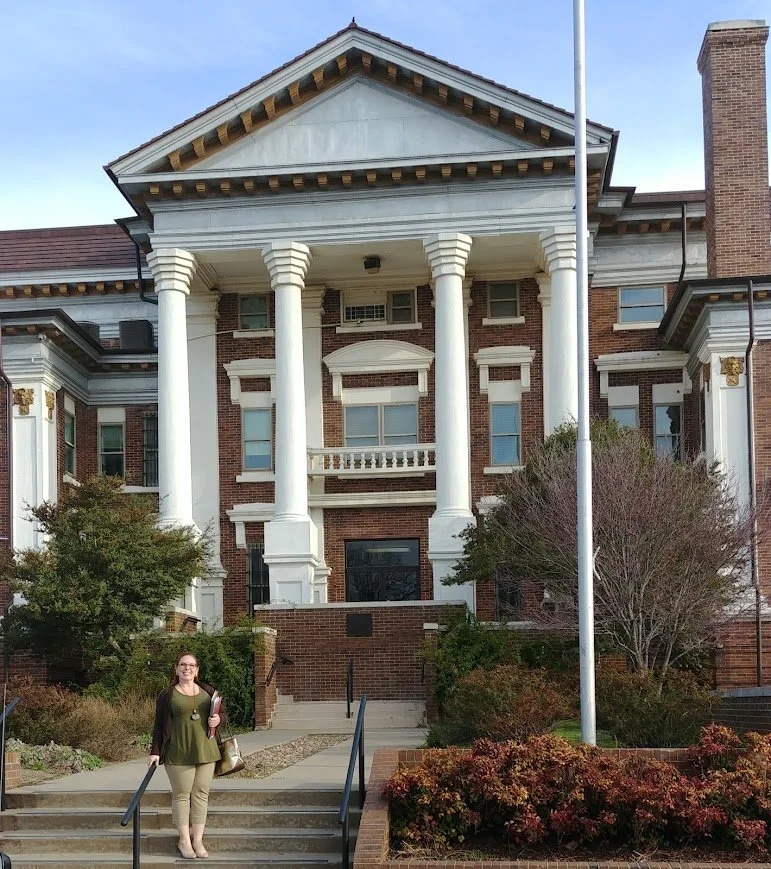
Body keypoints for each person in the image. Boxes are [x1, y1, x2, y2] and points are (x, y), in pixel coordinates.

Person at [149, 653, 225, 859]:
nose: (187, 668)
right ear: (176, 669)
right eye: (183, 664)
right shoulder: (167, 695)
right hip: (178, 752)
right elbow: (158, 726)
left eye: (191, 665)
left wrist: (218, 719)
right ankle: (184, 840)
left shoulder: (208, 691)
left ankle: (198, 840)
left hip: (206, 751)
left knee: (201, 794)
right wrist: (155, 751)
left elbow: (222, 714)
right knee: (182, 795)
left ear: (197, 670)